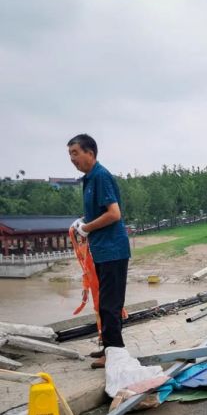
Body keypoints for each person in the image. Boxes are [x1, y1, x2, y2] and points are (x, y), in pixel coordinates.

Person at [68, 134, 131, 369]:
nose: (72, 159)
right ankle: (109, 347)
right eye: (70, 154)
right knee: (103, 303)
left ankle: (114, 354)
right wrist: (83, 222)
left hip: (113, 250)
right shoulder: (89, 179)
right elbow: (99, 213)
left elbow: (114, 214)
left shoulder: (101, 176)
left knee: (110, 305)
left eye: (76, 153)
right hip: (102, 250)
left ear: (90, 153)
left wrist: (86, 228)